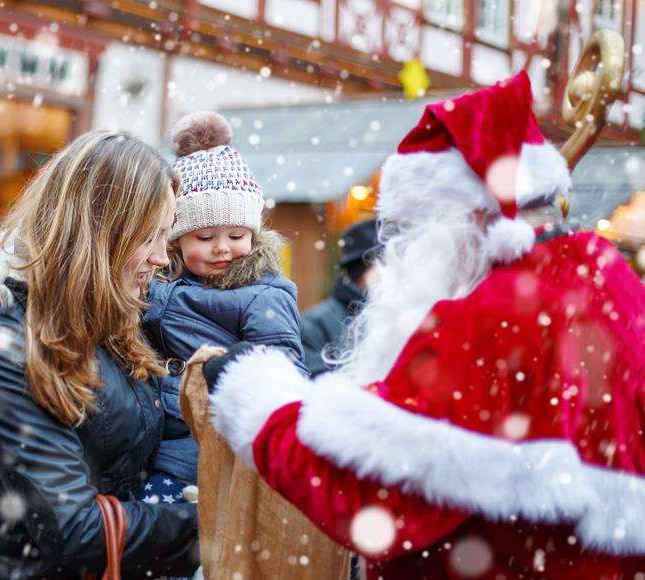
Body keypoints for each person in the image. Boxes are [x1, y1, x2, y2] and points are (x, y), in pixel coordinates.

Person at [204, 73, 645, 577]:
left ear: (464, 218)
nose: (404, 256)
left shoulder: (495, 311)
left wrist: (260, 399)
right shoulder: (609, 278)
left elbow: (373, 494)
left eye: (415, 230)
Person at [0, 131, 199, 579]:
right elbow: (74, 532)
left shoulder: (113, 315)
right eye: (150, 237)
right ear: (100, 234)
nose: (162, 257)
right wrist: (210, 526)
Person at [142, 111, 307, 499]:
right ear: (176, 239)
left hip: (204, 442)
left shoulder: (264, 293)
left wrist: (238, 365)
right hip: (153, 434)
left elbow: (287, 367)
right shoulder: (156, 276)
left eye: (236, 235)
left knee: (168, 518)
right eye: (203, 236)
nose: (222, 248)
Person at [300, 218, 381, 377]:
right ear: (360, 269)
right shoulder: (314, 324)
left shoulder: (404, 317)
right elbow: (317, 386)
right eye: (384, 262)